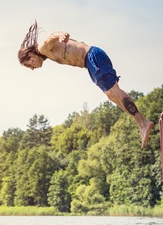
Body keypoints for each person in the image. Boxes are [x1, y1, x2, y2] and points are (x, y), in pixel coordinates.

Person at [18, 21, 154, 147]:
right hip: (91, 62)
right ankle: (142, 123)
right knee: (112, 96)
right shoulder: (48, 53)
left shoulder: (43, 48)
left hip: (92, 57)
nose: (32, 68)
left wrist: (61, 35)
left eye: (29, 65)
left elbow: (51, 36)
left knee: (113, 92)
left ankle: (143, 123)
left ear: (30, 57)